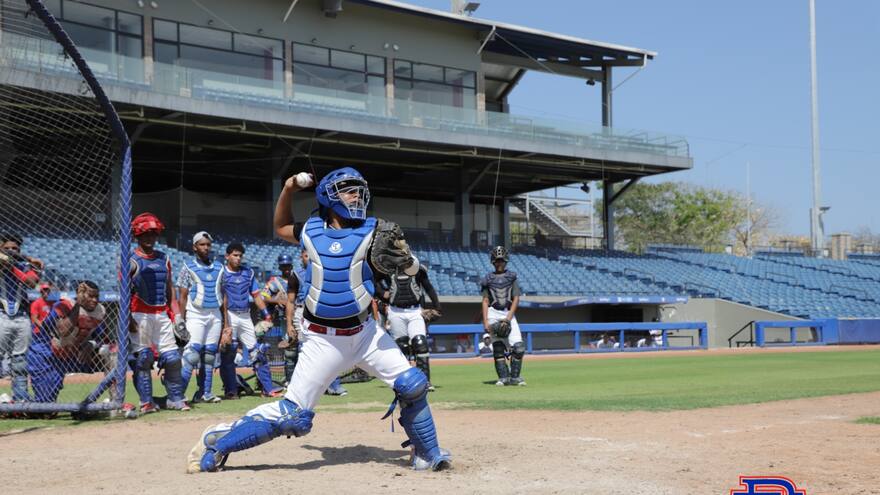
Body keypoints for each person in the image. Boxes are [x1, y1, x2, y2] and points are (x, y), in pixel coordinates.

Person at [187, 167, 451, 473]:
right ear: (328, 196)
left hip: (366, 333)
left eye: (359, 189)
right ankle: (219, 440)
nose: (357, 195)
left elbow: (411, 269)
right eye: (348, 189)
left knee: (412, 384)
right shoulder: (311, 230)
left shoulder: (376, 230)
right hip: (322, 338)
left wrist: (409, 262)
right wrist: (287, 188)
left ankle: (427, 453)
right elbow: (281, 226)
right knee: (293, 417)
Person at [128, 213, 190, 413]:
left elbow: (169, 290)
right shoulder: (130, 259)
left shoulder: (165, 259)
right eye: (145, 234)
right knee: (143, 358)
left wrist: (177, 317)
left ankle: (175, 398)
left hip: (161, 314)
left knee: (172, 358)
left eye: (153, 234)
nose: (149, 238)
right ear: (137, 235)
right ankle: (147, 402)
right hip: (139, 314)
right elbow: (124, 292)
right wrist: (127, 318)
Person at [217, 242, 283, 399]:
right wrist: (224, 323)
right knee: (229, 352)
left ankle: (267, 389)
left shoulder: (248, 272)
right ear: (227, 256)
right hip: (230, 315)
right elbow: (220, 298)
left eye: (240, 255)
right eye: (235, 255)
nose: (238, 258)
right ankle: (231, 390)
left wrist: (266, 314)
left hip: (246, 315)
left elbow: (256, 295)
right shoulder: (221, 273)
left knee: (258, 352)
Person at [26, 281, 110, 402]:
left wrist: (90, 344)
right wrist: (78, 306)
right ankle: (15, 404)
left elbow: (102, 336)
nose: (95, 300)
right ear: (80, 294)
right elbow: (62, 331)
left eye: (97, 296)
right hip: (45, 352)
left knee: (113, 355)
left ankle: (114, 402)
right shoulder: (65, 305)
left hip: (70, 355)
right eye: (90, 296)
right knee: (45, 404)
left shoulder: (100, 311)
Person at [283, 249, 348, 397]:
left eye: (311, 256)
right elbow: (290, 301)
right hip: (302, 311)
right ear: (301, 257)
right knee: (303, 350)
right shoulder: (296, 274)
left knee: (329, 347)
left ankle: (333, 385)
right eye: (306, 256)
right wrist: (289, 324)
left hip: (321, 311)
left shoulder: (324, 272)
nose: (309, 259)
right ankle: (303, 388)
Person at [177, 231, 224, 404]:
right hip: (196, 315)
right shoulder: (187, 267)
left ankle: (206, 392)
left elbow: (223, 294)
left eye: (208, 244)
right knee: (192, 355)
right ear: (194, 247)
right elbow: (181, 296)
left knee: (210, 355)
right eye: (202, 244)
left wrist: (226, 321)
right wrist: (180, 320)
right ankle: (179, 394)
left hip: (215, 315)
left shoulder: (220, 267)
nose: (206, 247)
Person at [380, 264, 441, 390]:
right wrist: (382, 294)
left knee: (420, 343)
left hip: (415, 311)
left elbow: (428, 288)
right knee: (401, 346)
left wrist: (437, 306)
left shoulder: (417, 268)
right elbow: (373, 281)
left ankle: (425, 381)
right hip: (396, 311)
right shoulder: (387, 268)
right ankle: (404, 381)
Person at [0, 232, 43, 401]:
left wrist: (16, 262)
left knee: (20, 361)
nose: (11, 250)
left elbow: (31, 283)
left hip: (22, 316)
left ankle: (20, 398)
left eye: (15, 248)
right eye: (7, 248)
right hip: (2, 315)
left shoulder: (26, 265)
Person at [481, 246, 525, 386]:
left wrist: (508, 318)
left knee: (518, 347)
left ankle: (515, 377)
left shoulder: (512, 277)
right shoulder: (487, 279)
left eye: (501, 261)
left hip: (508, 312)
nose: (499, 263)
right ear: (493, 262)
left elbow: (516, 298)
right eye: (497, 261)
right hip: (493, 312)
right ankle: (503, 378)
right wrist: (485, 322)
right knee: (498, 348)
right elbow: (485, 301)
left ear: (506, 261)